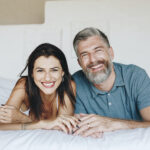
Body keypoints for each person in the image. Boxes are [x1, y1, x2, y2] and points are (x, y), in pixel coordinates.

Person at [72, 27, 150, 137]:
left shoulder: (136, 76)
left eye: (98, 51)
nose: (93, 60)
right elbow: (78, 129)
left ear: (111, 53)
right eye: (84, 55)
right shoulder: (74, 84)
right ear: (79, 63)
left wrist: (113, 124)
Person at [0, 43, 78, 133]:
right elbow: (2, 125)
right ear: (32, 73)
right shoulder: (23, 85)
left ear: (62, 72)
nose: (48, 78)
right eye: (40, 70)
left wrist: (23, 118)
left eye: (54, 70)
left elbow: (64, 126)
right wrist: (40, 124)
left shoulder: (69, 85)